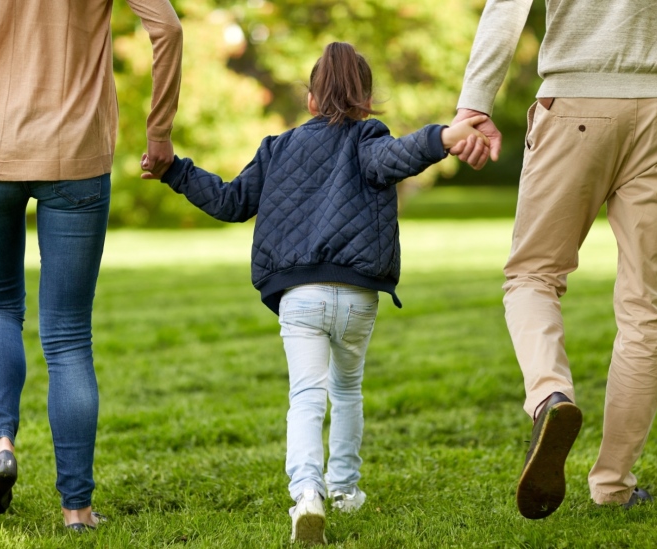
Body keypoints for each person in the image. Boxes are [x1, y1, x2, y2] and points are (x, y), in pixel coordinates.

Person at [142, 41, 488, 544]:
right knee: (346, 390)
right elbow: (402, 154)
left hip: (299, 295)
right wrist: (445, 137)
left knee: (306, 396)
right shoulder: (369, 138)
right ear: (366, 100)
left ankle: (308, 493)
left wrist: (175, 169)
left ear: (309, 100)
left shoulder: (276, 148)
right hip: (357, 296)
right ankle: (344, 490)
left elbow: (230, 201)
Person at [451, 0, 657, 519]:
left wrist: (475, 103)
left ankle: (550, 397)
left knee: (533, 275)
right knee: (646, 308)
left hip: (575, 97)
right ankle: (613, 485)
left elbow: (506, 7)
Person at [0, 0, 182, 530]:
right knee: (67, 336)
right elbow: (167, 27)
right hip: (76, 153)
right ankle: (77, 511)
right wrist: (158, 132)